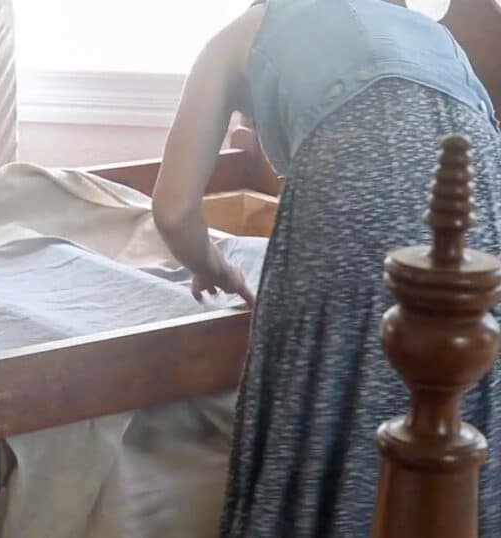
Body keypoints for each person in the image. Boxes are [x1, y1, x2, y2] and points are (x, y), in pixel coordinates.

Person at [151, 0, 501, 536]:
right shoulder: (430, 35)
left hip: (356, 168)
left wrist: (213, 265)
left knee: (331, 388)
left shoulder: (240, 35)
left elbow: (174, 211)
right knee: (461, 404)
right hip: (483, 189)